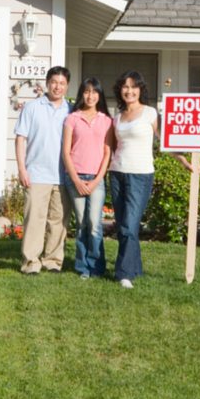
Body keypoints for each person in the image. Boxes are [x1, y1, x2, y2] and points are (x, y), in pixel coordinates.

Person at [109, 70, 197, 288]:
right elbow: (112, 146)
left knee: (130, 226)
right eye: (125, 87)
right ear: (120, 90)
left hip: (140, 174)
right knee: (122, 226)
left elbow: (166, 141)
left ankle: (124, 274)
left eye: (133, 87)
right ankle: (136, 269)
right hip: (117, 172)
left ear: (140, 90)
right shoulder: (117, 116)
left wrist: (184, 161)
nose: (129, 91)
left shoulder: (150, 114)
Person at [14, 66, 72, 275]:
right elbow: (21, 139)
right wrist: (22, 168)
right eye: (54, 81)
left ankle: (53, 261)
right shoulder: (31, 108)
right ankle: (31, 263)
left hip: (64, 176)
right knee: (34, 220)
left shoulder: (71, 111)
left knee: (59, 221)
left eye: (62, 83)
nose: (58, 86)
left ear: (67, 86)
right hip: (36, 173)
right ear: (47, 83)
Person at [61, 77, 114, 279]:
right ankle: (83, 268)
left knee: (94, 223)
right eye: (86, 91)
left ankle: (97, 267)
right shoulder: (72, 118)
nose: (90, 95)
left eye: (94, 91)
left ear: (99, 95)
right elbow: (66, 152)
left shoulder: (106, 120)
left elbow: (107, 153)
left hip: (96, 178)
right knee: (82, 222)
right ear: (81, 94)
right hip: (74, 177)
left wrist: (96, 180)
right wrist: (75, 179)